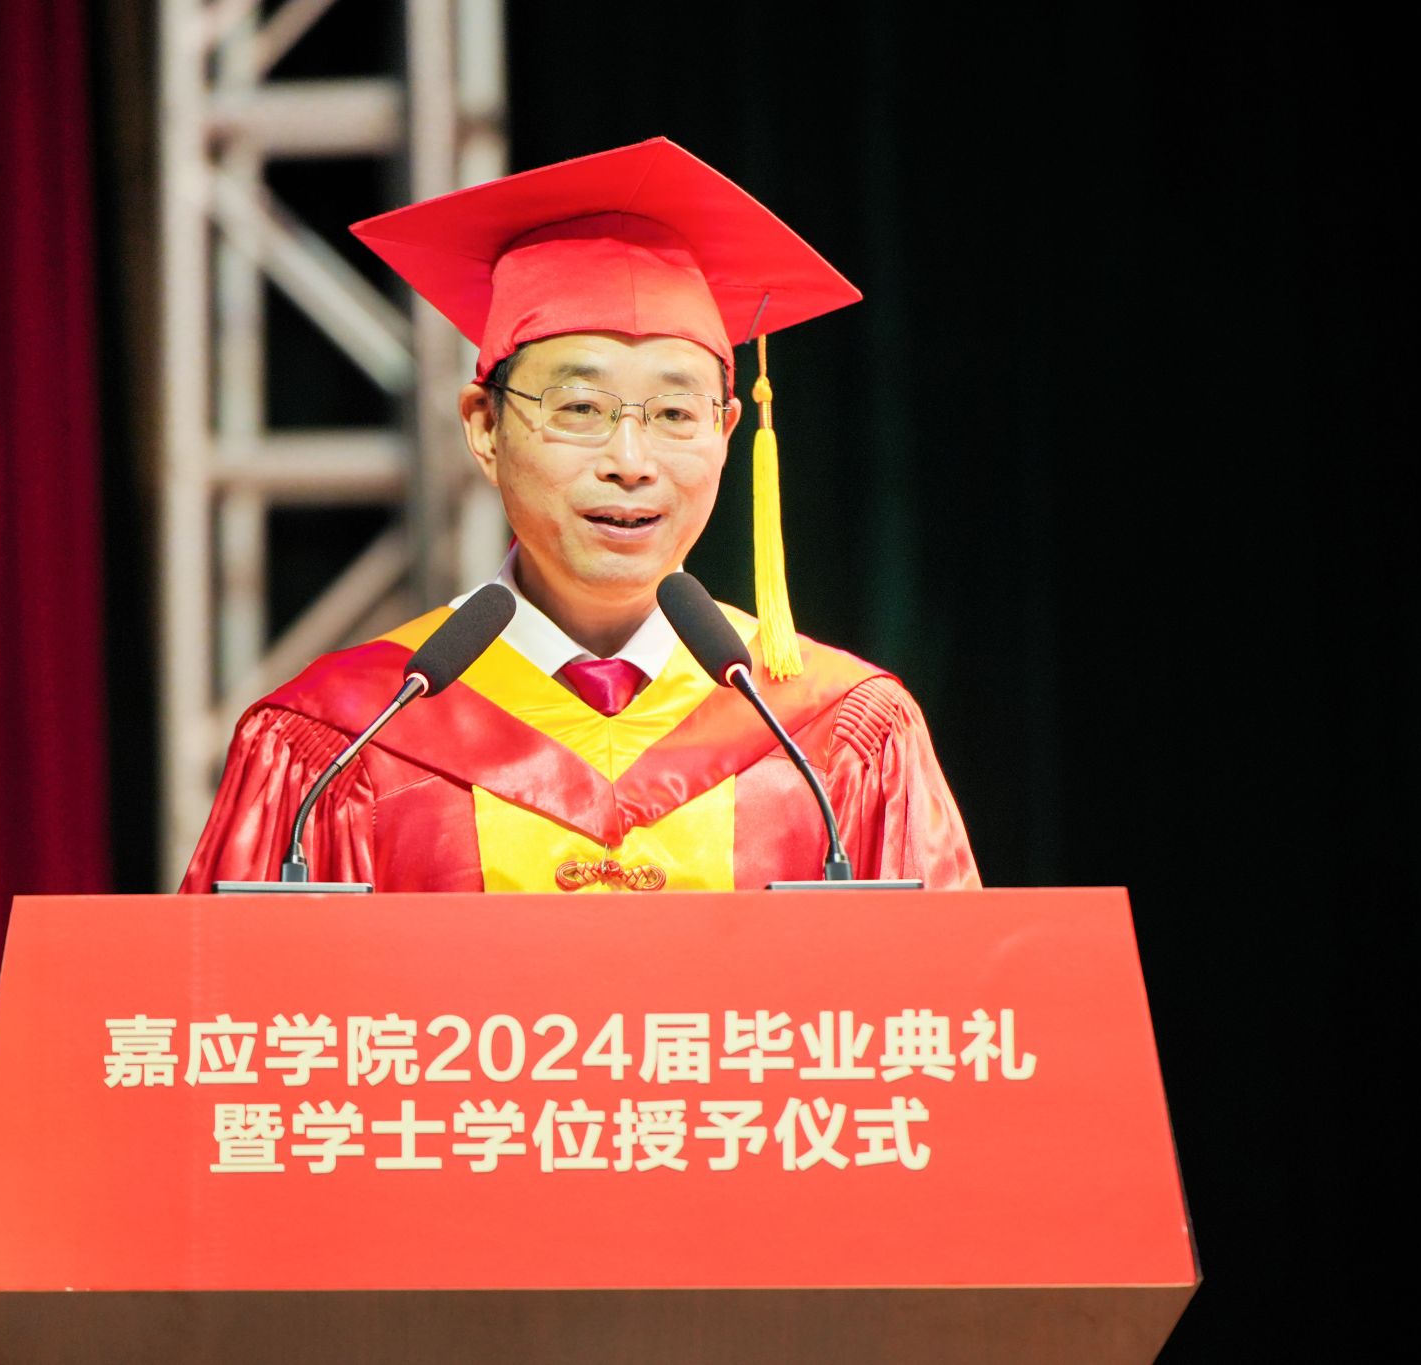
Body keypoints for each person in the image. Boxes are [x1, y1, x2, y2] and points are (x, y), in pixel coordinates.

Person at [179, 138, 977, 894]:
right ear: (484, 427)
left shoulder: (840, 736)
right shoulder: (338, 738)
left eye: (674, 413)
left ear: (728, 432)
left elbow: (946, 987)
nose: (630, 460)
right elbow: (236, 992)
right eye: (581, 407)